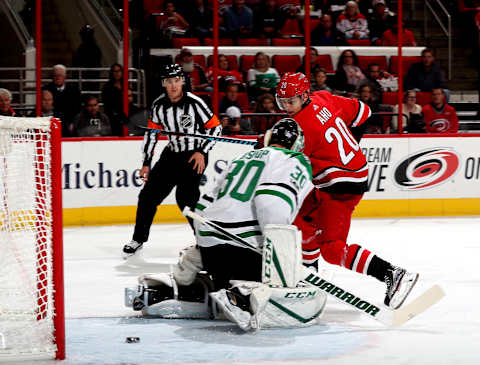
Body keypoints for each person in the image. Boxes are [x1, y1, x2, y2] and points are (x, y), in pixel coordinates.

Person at [126, 119, 327, 331]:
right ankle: (243, 295)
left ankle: (183, 288)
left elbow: (202, 207)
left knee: (221, 272)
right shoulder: (295, 159)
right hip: (245, 254)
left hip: (211, 253)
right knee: (289, 282)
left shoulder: (241, 157)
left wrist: (204, 246)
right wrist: (278, 256)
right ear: (298, 145)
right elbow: (271, 203)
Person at [274, 72, 419, 310]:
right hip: (351, 171)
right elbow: (363, 112)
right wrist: (350, 148)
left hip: (341, 186)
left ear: (304, 96)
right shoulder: (322, 98)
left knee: (332, 249)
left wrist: (268, 143)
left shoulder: (302, 126)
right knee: (299, 218)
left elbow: (285, 160)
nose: (286, 107)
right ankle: (310, 276)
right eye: (283, 101)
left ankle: (392, 274)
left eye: (291, 101)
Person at [122, 64, 222, 259]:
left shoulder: (195, 103)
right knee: (147, 197)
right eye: (169, 81)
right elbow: (152, 134)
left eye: (177, 80)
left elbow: (215, 129)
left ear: (182, 82)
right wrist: (147, 162)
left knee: (186, 200)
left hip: (194, 155)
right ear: (164, 84)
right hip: (172, 154)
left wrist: (202, 151)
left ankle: (205, 242)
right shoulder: (159, 105)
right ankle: (138, 239)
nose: (174, 85)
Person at [42, 64, 81, 136]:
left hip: (71, 124)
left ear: (65, 76)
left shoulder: (74, 90)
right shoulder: (46, 90)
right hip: (51, 124)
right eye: (55, 75)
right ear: (52, 77)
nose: (58, 78)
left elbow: (78, 109)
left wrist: (73, 124)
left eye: (60, 75)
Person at [101, 63, 127, 137]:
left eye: (119, 71)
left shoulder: (125, 85)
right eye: (115, 71)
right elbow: (106, 103)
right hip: (112, 116)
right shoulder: (107, 87)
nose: (117, 73)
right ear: (111, 73)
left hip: (125, 115)